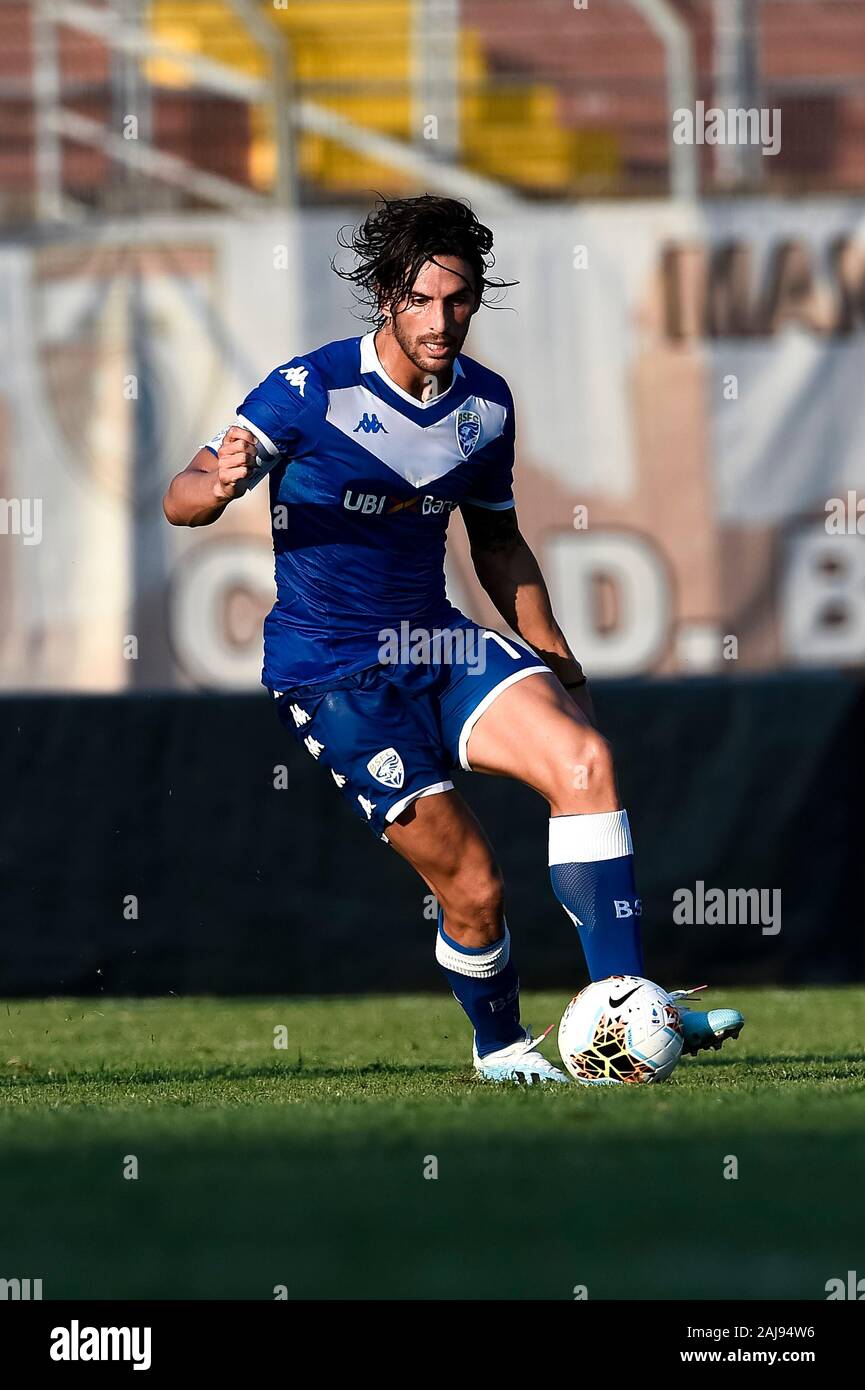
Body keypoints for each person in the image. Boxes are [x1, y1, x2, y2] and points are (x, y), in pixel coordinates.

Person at [164, 195, 744, 1084]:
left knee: (583, 761)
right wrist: (218, 485)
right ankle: (502, 1050)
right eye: (422, 301)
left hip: (437, 644)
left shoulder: (485, 406)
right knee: (471, 890)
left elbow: (498, 543)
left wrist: (557, 658)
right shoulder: (307, 390)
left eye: (459, 300)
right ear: (386, 299)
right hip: (336, 672)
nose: (441, 322)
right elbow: (185, 494)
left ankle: (628, 1003)